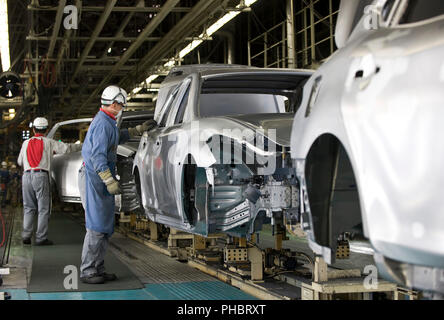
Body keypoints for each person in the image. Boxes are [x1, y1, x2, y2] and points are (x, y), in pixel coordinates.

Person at [79, 85, 156, 284]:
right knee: (96, 226)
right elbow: (97, 156)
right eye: (121, 105)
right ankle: (88, 271)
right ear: (114, 103)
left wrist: (136, 130)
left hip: (102, 178)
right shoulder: (103, 124)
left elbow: (115, 139)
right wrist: (108, 179)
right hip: (96, 178)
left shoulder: (109, 121)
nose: (122, 108)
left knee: (104, 225)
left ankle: (98, 268)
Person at [17, 117, 82, 246]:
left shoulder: (25, 143)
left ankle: (26, 236)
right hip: (40, 176)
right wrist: (83, 145)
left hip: (26, 176)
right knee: (43, 208)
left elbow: (19, 162)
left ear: (33, 129)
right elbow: (67, 149)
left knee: (28, 207)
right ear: (46, 130)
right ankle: (41, 238)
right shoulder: (49, 142)